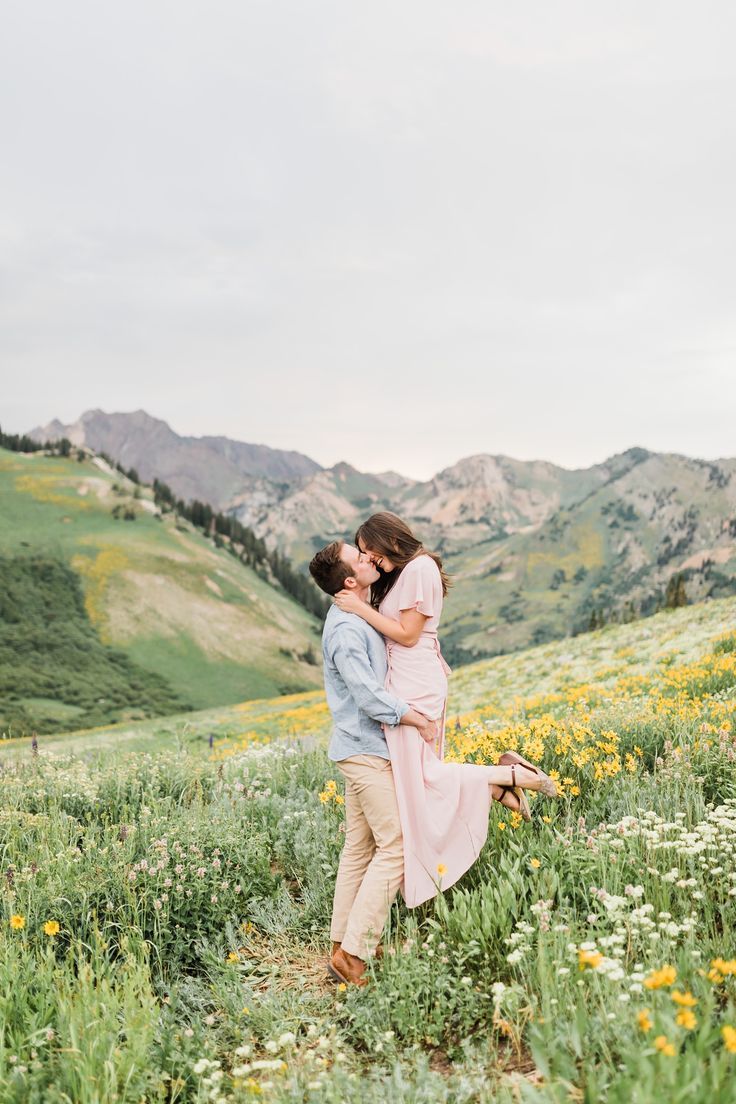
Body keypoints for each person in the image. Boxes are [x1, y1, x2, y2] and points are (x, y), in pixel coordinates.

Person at [335, 512, 557, 909]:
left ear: (390, 540)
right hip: (403, 680)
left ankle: (512, 775)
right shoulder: (404, 574)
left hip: (415, 681)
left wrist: (358, 608)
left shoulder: (420, 568)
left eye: (372, 551)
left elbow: (408, 634)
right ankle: (496, 783)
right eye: (364, 554)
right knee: (416, 781)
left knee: (423, 775)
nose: (371, 560)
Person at [308, 539, 440, 986]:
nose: (368, 558)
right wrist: (415, 718)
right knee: (399, 845)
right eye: (359, 557)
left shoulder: (360, 612)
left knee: (360, 848)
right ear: (350, 580)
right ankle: (354, 954)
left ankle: (341, 944)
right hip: (365, 751)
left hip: (360, 747)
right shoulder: (346, 630)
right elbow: (366, 695)